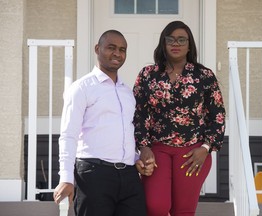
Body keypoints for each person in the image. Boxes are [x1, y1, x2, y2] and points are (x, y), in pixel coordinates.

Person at [53, 30, 152, 216]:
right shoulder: (81, 88)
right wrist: (66, 178)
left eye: (122, 49)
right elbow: (68, 135)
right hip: (94, 175)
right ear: (97, 49)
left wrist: (138, 158)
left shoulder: (127, 93)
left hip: (129, 177)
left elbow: (127, 132)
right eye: (111, 48)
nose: (117, 54)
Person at [133, 21, 226, 216]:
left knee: (183, 211)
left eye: (182, 39)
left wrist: (206, 148)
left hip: (193, 153)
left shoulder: (204, 76)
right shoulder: (148, 75)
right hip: (157, 150)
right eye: (171, 39)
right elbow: (138, 113)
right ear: (163, 43)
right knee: (155, 206)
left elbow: (217, 116)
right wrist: (143, 146)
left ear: (189, 45)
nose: (176, 44)